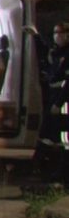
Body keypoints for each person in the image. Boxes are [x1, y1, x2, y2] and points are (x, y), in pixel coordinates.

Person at [30, 22, 69, 182]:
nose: (57, 35)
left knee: (64, 139)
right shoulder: (58, 52)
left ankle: (62, 173)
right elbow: (46, 53)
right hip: (55, 95)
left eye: (59, 32)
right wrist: (36, 36)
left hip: (64, 99)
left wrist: (58, 103)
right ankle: (42, 165)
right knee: (48, 132)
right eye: (55, 32)